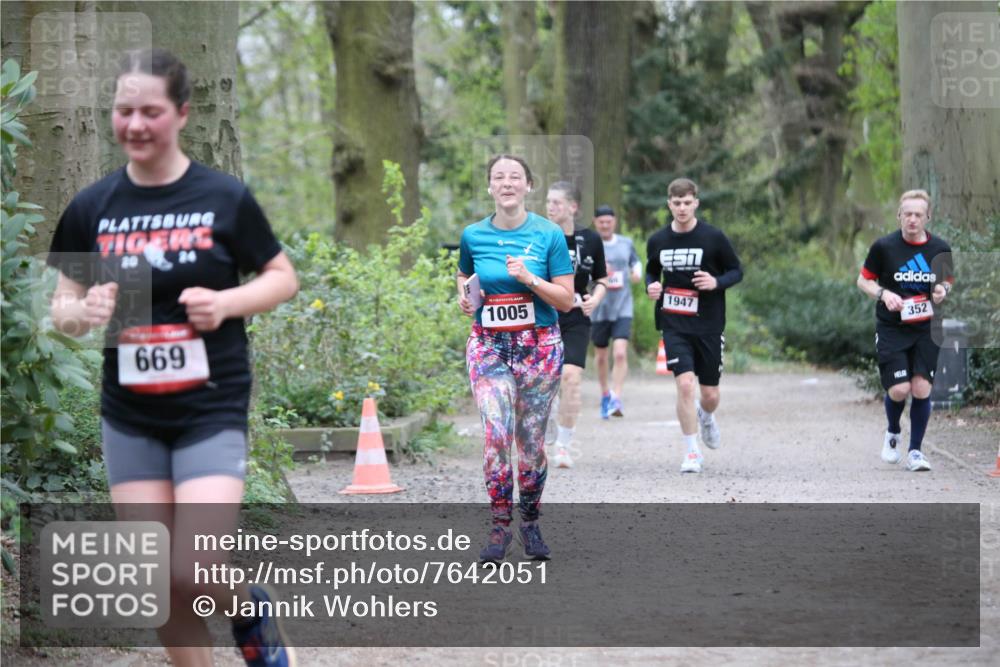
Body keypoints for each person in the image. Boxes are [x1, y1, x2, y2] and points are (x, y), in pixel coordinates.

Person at [47, 49, 299, 667]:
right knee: (158, 581)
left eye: (151, 112)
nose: (135, 124)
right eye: (123, 110)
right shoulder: (93, 206)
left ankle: (247, 609)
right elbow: (62, 308)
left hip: (209, 408)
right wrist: (87, 311)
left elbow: (281, 276)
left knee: (196, 568)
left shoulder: (222, 197)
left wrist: (226, 302)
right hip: (130, 414)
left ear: (182, 113)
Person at [457, 155, 574, 563]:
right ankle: (499, 527)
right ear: (489, 186)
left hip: (539, 347)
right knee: (496, 434)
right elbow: (465, 274)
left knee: (530, 442)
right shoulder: (473, 235)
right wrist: (465, 296)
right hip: (489, 345)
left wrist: (529, 279)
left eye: (515, 177)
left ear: (528, 185)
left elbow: (566, 300)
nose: (507, 183)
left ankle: (531, 523)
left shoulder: (549, 234)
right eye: (498, 177)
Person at [645, 178, 742, 473]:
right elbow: (652, 271)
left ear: (696, 203)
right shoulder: (658, 240)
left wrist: (716, 282)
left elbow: (736, 270)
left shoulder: (713, 237)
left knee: (709, 394)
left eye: (687, 202)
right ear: (669, 204)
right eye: (677, 203)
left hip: (709, 323)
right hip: (674, 323)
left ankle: (706, 415)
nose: (682, 208)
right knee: (685, 384)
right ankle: (691, 451)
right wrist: (651, 286)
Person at [856, 189, 953, 472]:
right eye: (907, 214)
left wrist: (941, 290)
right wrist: (883, 294)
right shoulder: (883, 247)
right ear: (899, 215)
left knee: (921, 388)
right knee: (899, 389)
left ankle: (915, 452)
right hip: (892, 328)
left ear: (927, 217)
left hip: (927, 328)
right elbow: (863, 281)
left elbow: (947, 280)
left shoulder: (940, 248)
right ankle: (893, 431)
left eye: (918, 215)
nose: (912, 219)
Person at [545, 182, 608, 468]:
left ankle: (563, 445)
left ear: (573, 207)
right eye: (548, 202)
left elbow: (601, 279)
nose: (550, 207)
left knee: (571, 377)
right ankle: (547, 414)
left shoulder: (591, 239)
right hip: (544, 315)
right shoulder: (539, 236)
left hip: (576, 318)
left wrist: (595, 298)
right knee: (544, 381)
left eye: (557, 202)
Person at [590, 205, 642, 419]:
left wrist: (637, 272)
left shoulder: (625, 243)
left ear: (614, 222)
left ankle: (616, 397)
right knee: (601, 356)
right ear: (595, 223)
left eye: (608, 221)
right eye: (601, 222)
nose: (605, 225)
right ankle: (605, 394)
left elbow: (635, 262)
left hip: (622, 306)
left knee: (620, 352)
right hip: (598, 308)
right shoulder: (590, 244)